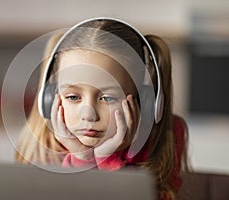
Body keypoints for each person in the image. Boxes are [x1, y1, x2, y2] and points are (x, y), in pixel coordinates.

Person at [16, 17, 189, 200]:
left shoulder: (165, 135)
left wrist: (109, 159)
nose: (88, 114)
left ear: (144, 102)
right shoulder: (45, 144)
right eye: (73, 97)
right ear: (50, 98)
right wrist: (81, 158)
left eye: (107, 98)